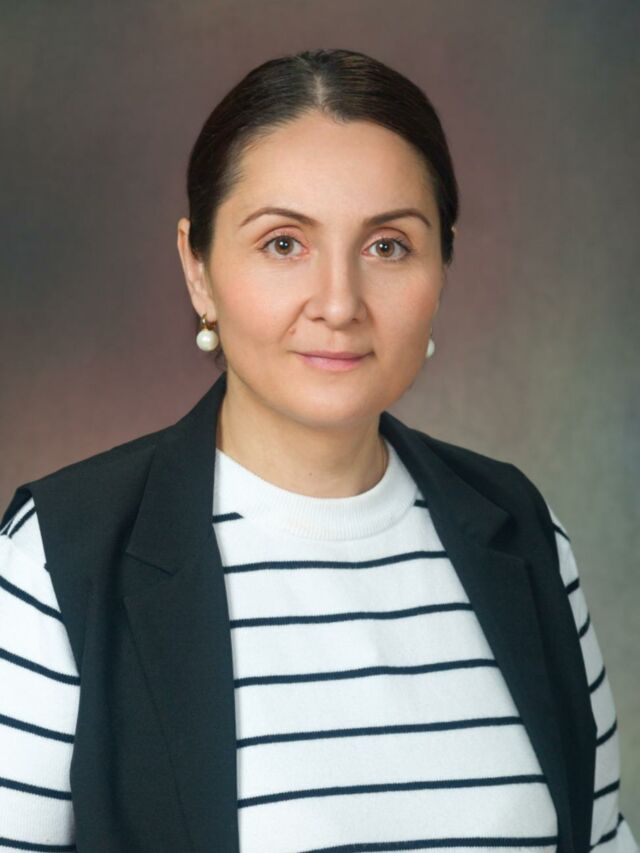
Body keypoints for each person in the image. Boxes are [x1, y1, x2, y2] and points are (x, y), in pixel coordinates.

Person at [0, 47, 637, 853]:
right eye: (283, 243)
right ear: (199, 270)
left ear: (443, 264)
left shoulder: (522, 532)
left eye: (387, 246)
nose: (339, 304)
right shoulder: (60, 559)